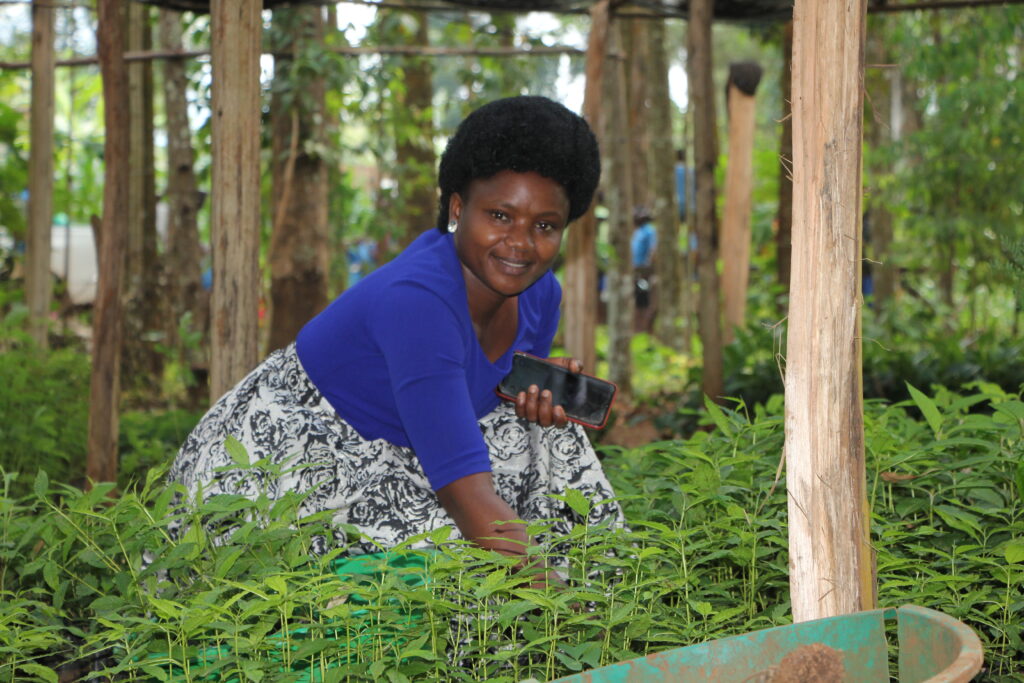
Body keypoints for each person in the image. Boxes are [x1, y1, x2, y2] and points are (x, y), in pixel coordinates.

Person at [167, 96, 623, 572]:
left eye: (545, 226)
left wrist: (528, 394)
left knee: (555, 440)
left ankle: (599, 590)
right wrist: (558, 611)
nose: (521, 243)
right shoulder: (418, 303)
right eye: (500, 216)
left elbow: (475, 398)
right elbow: (470, 501)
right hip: (290, 467)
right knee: (452, 566)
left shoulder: (541, 295)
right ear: (457, 206)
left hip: (400, 446)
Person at [631, 206, 657, 333]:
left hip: (644, 270)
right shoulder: (638, 231)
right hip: (636, 269)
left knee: (644, 299)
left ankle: (644, 329)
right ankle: (638, 329)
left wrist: (648, 266)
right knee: (637, 298)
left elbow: (653, 250)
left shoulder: (650, 231)